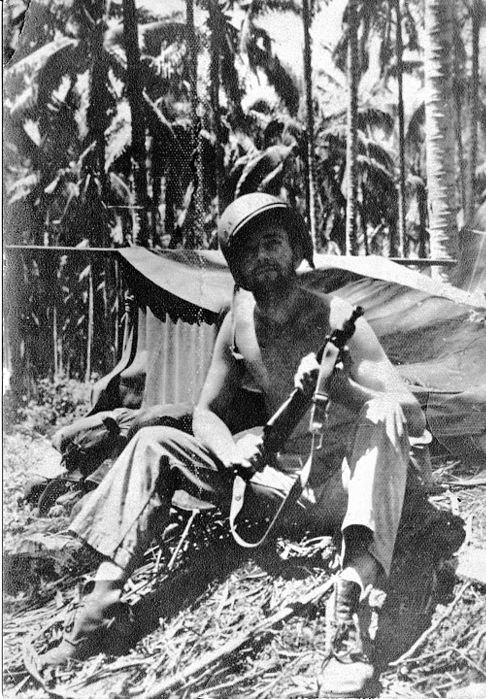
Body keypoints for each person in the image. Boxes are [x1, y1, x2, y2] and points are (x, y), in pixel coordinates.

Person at [39, 193, 426, 697]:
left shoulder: (338, 319)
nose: (263, 256)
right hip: (276, 489)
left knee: (384, 410)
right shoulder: (238, 324)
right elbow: (205, 412)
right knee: (155, 440)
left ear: (295, 252)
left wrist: (340, 389)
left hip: (345, 489)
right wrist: (229, 451)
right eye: (249, 250)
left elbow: (410, 414)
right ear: (237, 266)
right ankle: (95, 619)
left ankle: (350, 610)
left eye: (273, 243)